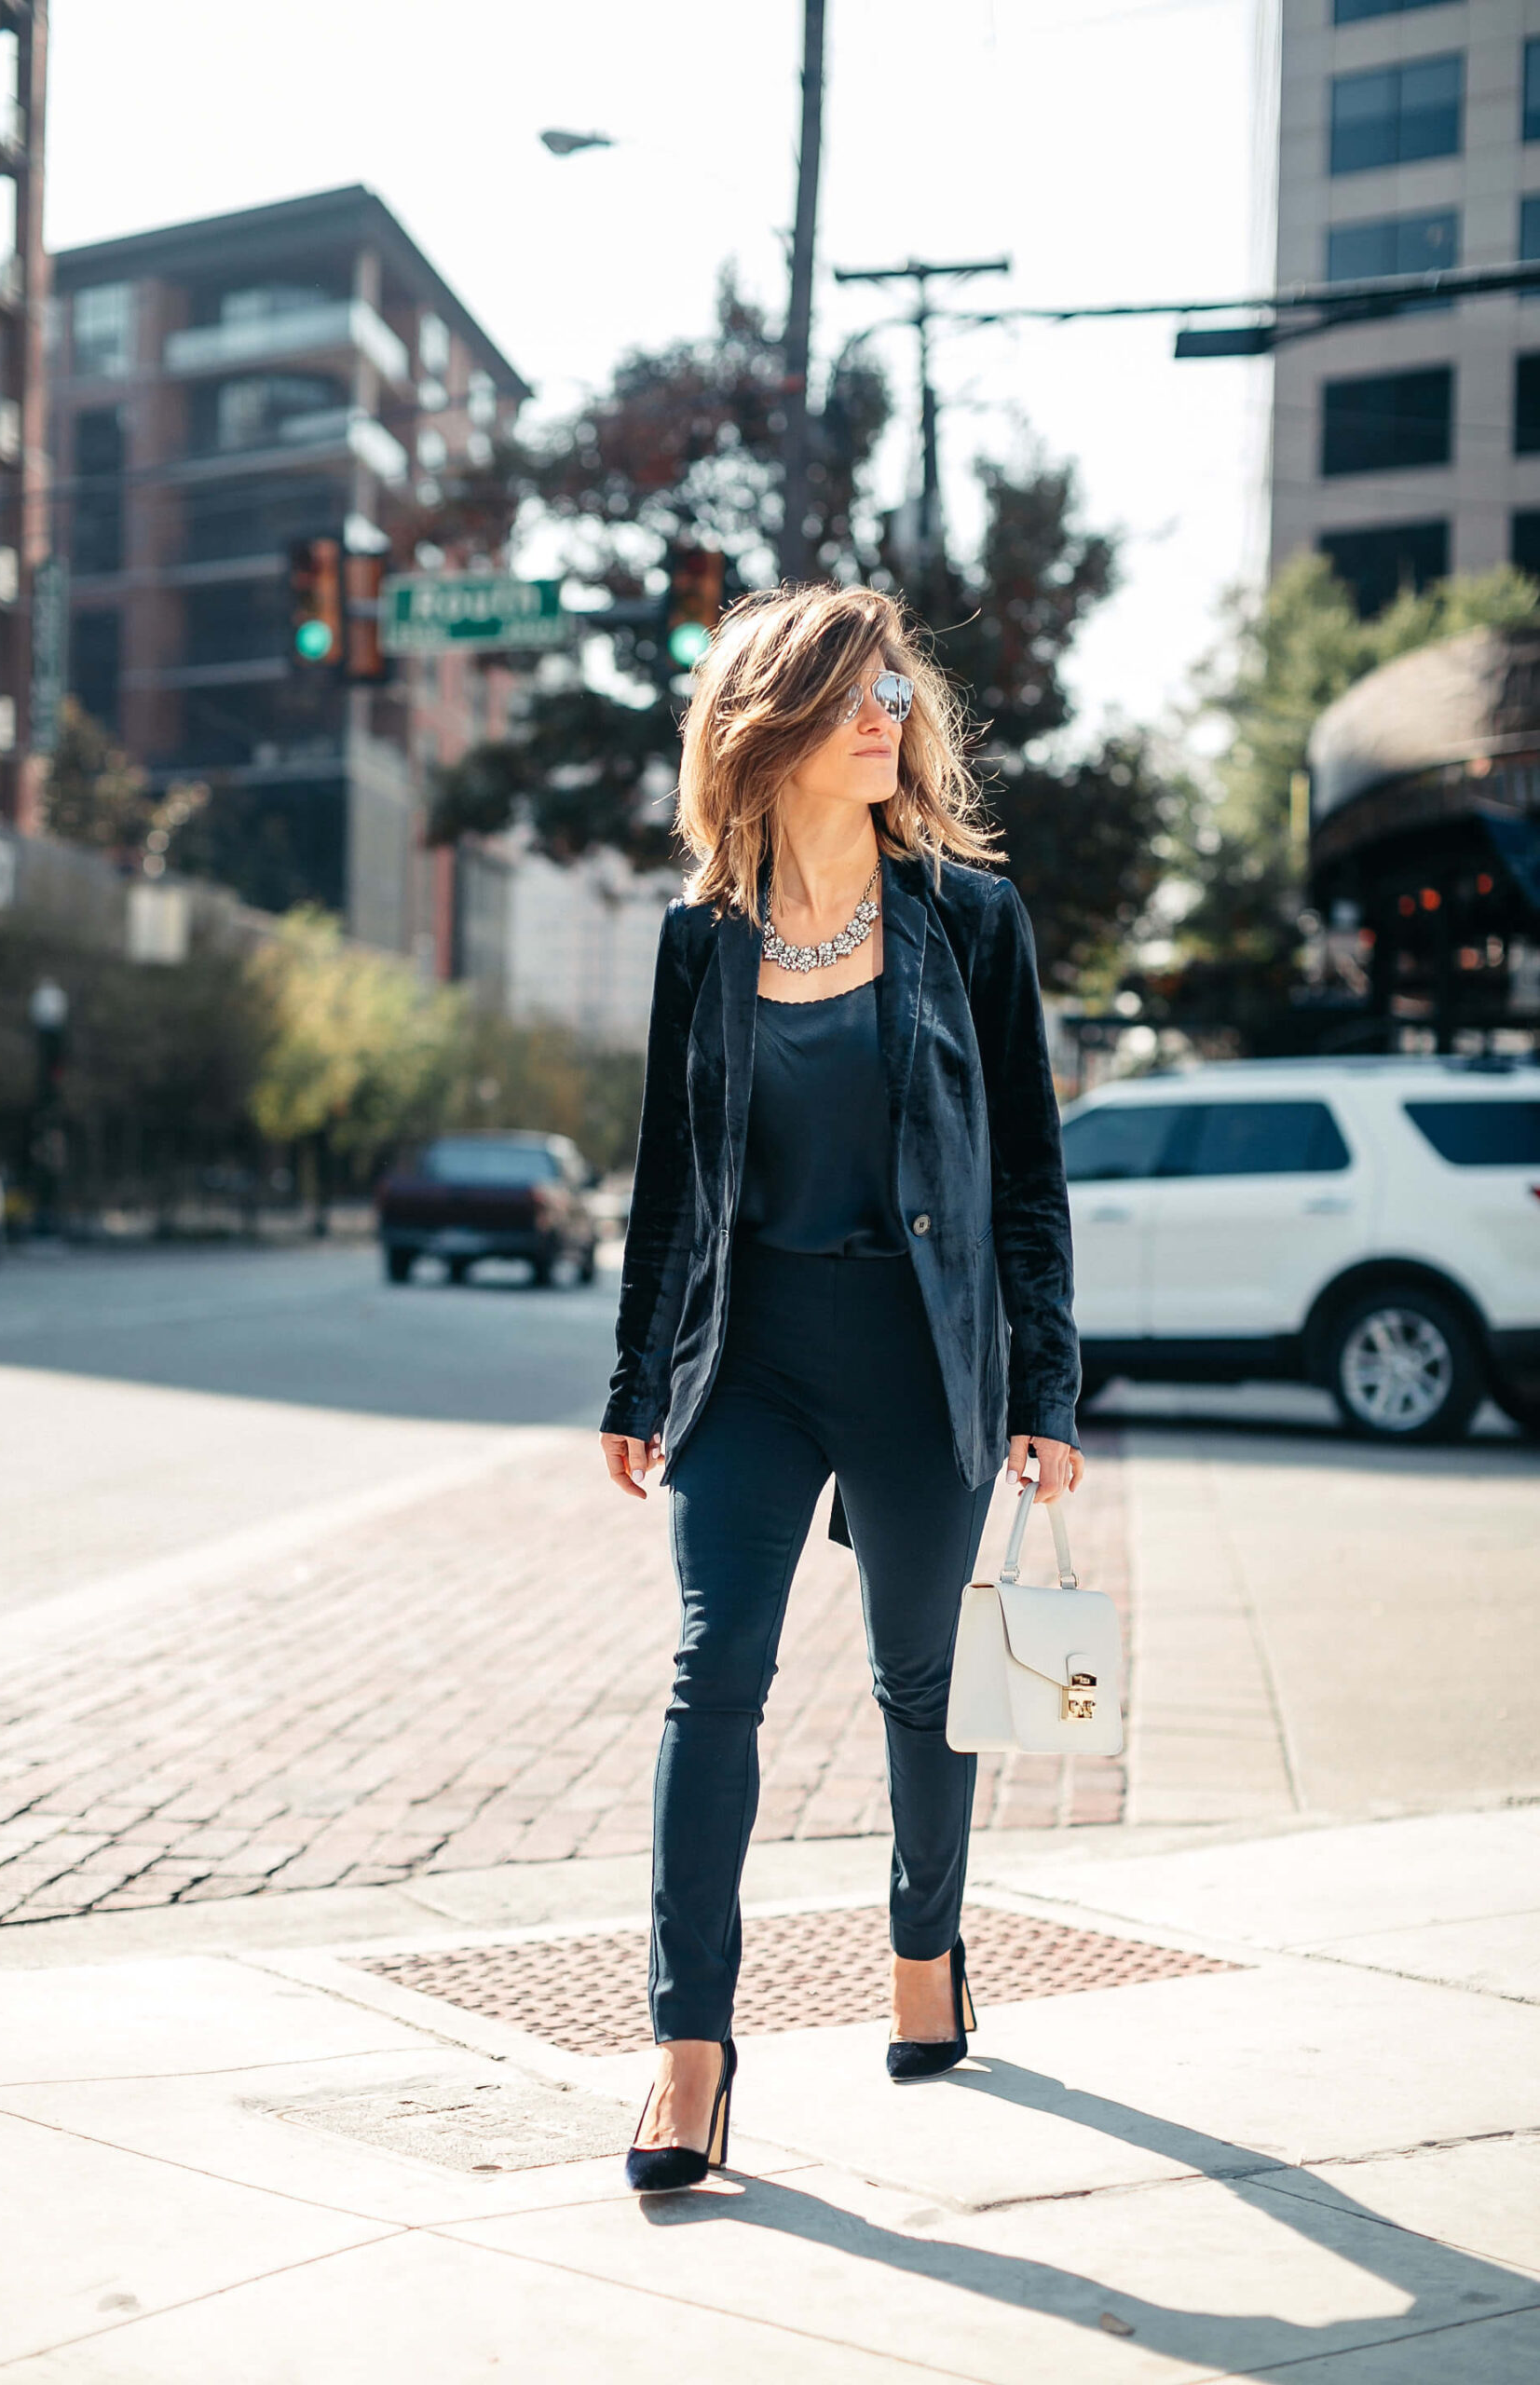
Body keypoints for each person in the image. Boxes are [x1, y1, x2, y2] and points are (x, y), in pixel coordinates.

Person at [600, 582, 1083, 2193]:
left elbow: (1028, 1179)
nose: (890, 714)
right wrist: (634, 1377)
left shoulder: (971, 920)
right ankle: (688, 2060)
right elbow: (670, 1184)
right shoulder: (701, 944)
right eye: (854, 693)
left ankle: (926, 1957)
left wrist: (1049, 1388)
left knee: (923, 1686)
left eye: (895, 693)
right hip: (749, 1361)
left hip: (918, 1352)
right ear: (772, 725)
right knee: (709, 1669)